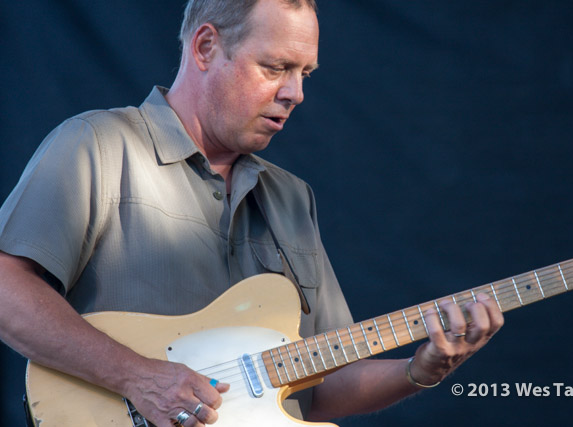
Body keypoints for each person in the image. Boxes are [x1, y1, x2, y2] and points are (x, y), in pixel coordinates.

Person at [0, 0, 503, 426]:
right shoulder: (99, 145)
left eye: (305, 74)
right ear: (205, 47)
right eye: (276, 67)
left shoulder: (291, 198)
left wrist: (419, 370)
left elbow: (319, 385)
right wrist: (137, 376)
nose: (296, 93)